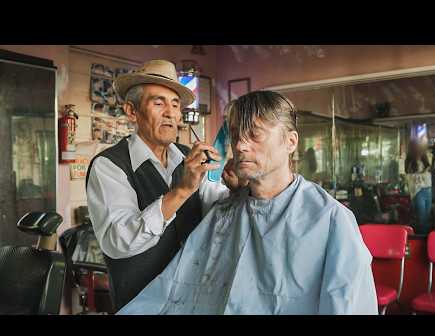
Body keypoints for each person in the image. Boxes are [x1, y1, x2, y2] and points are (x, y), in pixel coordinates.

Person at [118, 90, 378, 315]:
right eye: (235, 134)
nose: (241, 145)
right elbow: (175, 288)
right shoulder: (225, 212)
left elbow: (350, 304)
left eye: (255, 134)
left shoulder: (330, 220)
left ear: (291, 142)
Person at [86, 60, 241, 311]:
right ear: (132, 111)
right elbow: (119, 241)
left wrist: (235, 189)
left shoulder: (189, 157)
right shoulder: (109, 166)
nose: (170, 112)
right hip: (142, 306)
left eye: (175, 104)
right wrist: (181, 191)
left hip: (193, 302)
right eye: (158, 103)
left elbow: (216, 212)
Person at [405, 139, 432, 235]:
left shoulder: (425, 158)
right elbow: (410, 177)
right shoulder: (410, 161)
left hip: (428, 188)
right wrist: (424, 173)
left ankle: (425, 237)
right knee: (422, 217)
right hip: (418, 191)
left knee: (427, 216)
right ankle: (421, 237)